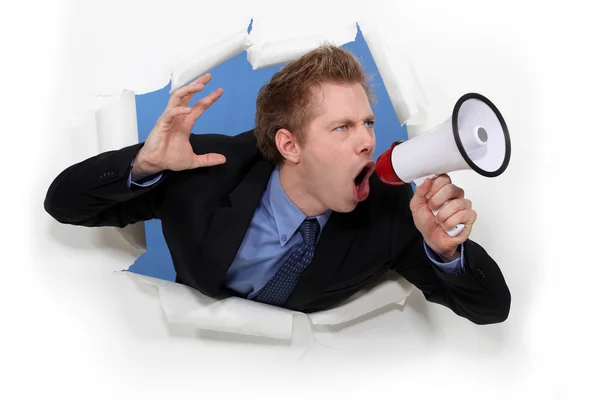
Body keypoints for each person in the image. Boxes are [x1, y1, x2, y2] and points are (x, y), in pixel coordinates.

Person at [44, 45, 510, 325]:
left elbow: (491, 309)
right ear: (289, 144)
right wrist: (145, 163)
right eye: (342, 127)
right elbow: (64, 204)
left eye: (367, 122)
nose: (368, 139)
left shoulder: (390, 215)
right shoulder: (204, 170)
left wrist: (447, 252)